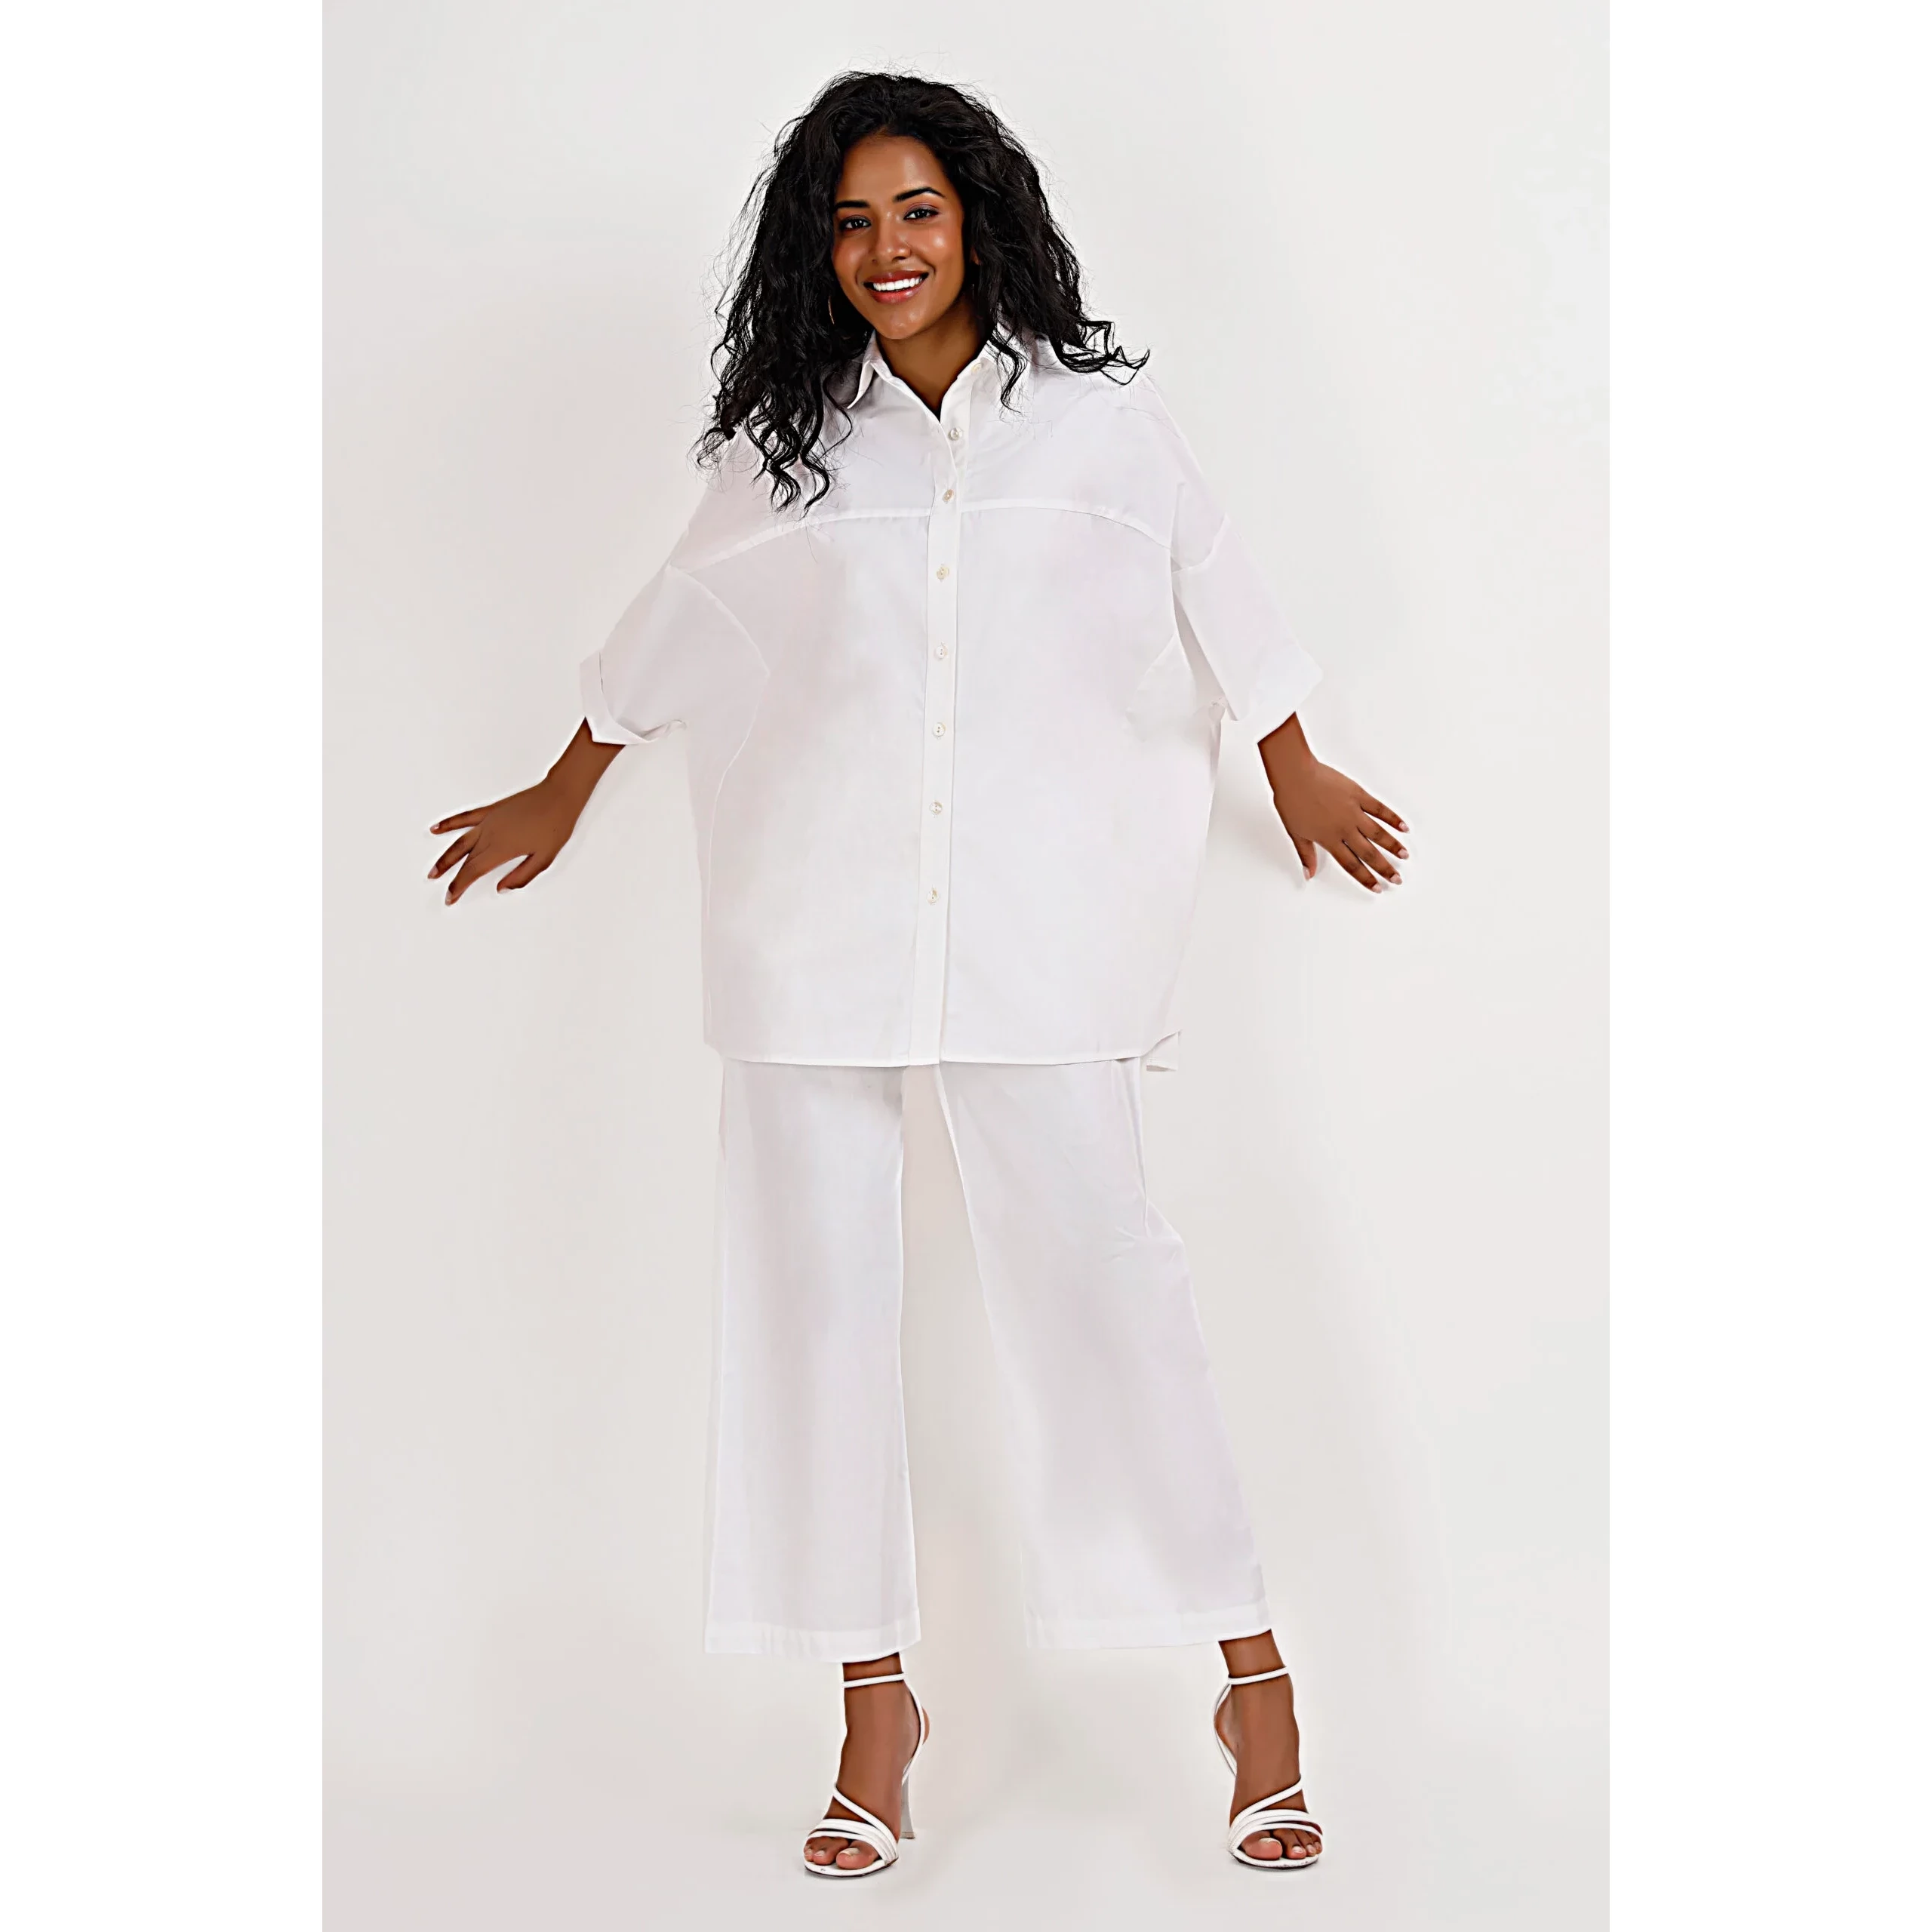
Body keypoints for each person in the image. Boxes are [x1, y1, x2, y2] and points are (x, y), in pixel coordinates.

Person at [428, 70, 1406, 1878]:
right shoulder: (786, 450)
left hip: (1040, 929)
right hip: (816, 925)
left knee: (1107, 1279)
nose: (886, 247)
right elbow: (675, 618)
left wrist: (1291, 761)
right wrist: (563, 784)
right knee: (810, 1304)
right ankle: (874, 1711)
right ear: (820, 249)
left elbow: (1215, 580)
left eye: (917, 210)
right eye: (851, 220)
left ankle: (1252, 1680)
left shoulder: (1101, 425)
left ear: (978, 220)